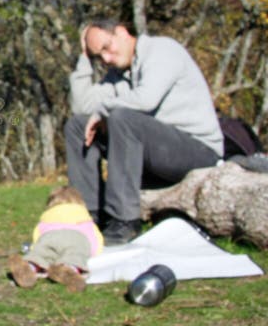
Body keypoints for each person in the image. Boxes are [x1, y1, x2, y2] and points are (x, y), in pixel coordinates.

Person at [64, 19, 223, 245]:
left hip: (198, 150)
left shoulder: (162, 50)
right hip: (157, 152)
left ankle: (124, 221)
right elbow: (81, 107)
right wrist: (84, 59)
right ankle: (88, 217)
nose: (106, 59)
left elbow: (146, 100)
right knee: (78, 125)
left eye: (107, 48)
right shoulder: (118, 74)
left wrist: (102, 112)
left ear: (121, 32)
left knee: (122, 117)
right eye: (98, 56)